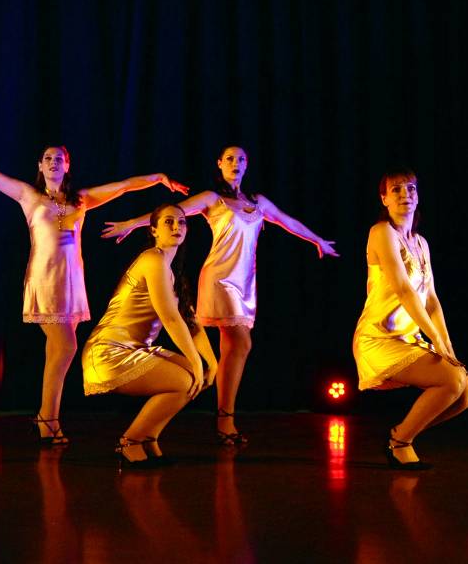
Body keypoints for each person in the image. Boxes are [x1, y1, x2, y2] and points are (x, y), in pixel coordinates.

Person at [0, 146, 188, 445]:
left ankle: (48, 418)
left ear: (68, 165)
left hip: (72, 282)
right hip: (45, 280)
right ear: (40, 165)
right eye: (48, 159)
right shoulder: (30, 196)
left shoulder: (80, 199)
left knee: (58, 353)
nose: (54, 163)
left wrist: (158, 178)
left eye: (60, 159)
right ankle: (47, 419)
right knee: (66, 347)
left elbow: (124, 186)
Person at [102, 146, 338, 444]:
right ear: (219, 164)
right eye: (229, 159)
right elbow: (172, 212)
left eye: (240, 159)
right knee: (240, 341)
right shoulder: (213, 199)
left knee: (236, 348)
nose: (235, 163)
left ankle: (223, 415)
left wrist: (317, 240)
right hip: (219, 278)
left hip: (245, 283)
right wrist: (132, 223)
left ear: (246, 165)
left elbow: (287, 220)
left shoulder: (258, 202)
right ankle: (222, 417)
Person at [353, 169, 468, 469]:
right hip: (378, 338)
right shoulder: (381, 232)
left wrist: (447, 347)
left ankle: (402, 434)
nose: (405, 194)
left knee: (467, 393)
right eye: (396, 190)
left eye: (410, 188)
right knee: (452, 381)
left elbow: (431, 299)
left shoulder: (421, 243)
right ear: (384, 198)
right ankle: (400, 442)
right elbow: (404, 290)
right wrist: (434, 339)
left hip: (409, 337)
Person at [83, 204, 218, 467]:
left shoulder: (172, 271)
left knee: (193, 378)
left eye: (182, 222)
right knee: (184, 380)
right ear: (154, 230)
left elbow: (190, 322)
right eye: (169, 222)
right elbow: (169, 317)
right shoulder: (152, 259)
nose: (177, 227)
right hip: (109, 351)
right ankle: (130, 441)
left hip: (134, 350)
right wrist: (195, 361)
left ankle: (148, 437)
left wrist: (210, 362)